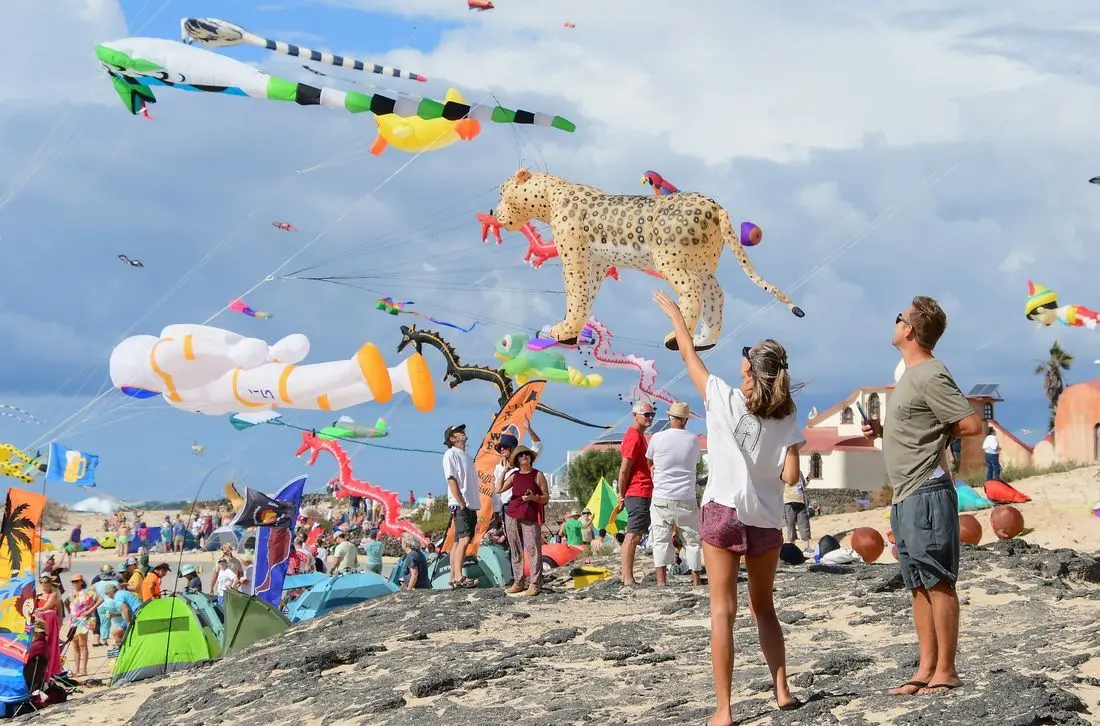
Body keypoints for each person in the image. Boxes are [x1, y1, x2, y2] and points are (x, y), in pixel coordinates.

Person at [654, 289, 804, 721]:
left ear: (751, 373)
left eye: (745, 366)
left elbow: (689, 358)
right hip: (765, 520)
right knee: (765, 609)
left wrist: (679, 319)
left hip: (722, 512)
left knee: (722, 612)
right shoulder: (786, 416)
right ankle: (782, 690)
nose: (740, 371)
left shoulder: (723, 397)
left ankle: (724, 710)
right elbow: (791, 477)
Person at [862, 296, 982, 696]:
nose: (895, 322)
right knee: (917, 584)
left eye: (899, 318)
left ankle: (946, 669)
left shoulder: (931, 372)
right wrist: (883, 433)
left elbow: (970, 424)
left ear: (909, 329)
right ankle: (926, 668)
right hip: (906, 494)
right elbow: (923, 425)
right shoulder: (910, 375)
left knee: (938, 581)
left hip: (927, 490)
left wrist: (937, 439)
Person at [646, 400, 704, 587]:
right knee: (692, 540)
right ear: (686, 420)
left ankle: (661, 581)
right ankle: (696, 579)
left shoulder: (657, 438)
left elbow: (650, 461)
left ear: (670, 417)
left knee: (660, 539)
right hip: (686, 495)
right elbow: (694, 463)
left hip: (662, 495)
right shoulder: (693, 440)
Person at [499, 445, 549, 596]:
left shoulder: (538, 474)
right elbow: (498, 489)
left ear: (531, 457)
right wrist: (504, 471)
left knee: (533, 549)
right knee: (515, 548)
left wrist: (533, 497)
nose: (524, 456)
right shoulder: (514, 475)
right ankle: (518, 581)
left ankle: (535, 583)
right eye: (520, 455)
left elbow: (546, 497)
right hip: (512, 514)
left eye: (526, 454)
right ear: (517, 460)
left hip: (530, 515)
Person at [617, 400, 655, 586]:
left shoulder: (638, 436)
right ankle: (627, 578)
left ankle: (627, 577)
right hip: (637, 490)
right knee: (633, 535)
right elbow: (624, 469)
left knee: (635, 534)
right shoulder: (633, 436)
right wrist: (621, 493)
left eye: (652, 414)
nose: (650, 418)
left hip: (641, 490)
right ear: (635, 416)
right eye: (646, 415)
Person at [442, 423, 481, 589]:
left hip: (469, 503)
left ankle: (453, 577)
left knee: (459, 540)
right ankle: (458, 576)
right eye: (458, 431)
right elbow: (451, 479)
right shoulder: (450, 453)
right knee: (464, 538)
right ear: (452, 438)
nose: (463, 433)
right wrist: (462, 502)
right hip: (461, 503)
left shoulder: (466, 456)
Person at [66, 574, 96, 678]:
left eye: (76, 581)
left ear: (81, 582)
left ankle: (84, 670)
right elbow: (66, 602)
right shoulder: (71, 594)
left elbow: (100, 599)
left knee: (83, 645)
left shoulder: (87, 592)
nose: (74, 583)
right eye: (73, 581)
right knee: (75, 646)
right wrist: (70, 612)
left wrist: (90, 610)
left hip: (84, 621)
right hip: (73, 622)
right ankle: (76, 670)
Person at [783, 472, 812, 554]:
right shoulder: (783, 471)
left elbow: (803, 484)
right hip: (788, 501)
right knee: (790, 525)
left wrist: (808, 478)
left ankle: (807, 547)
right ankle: (792, 547)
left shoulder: (799, 472)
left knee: (804, 524)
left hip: (801, 501)